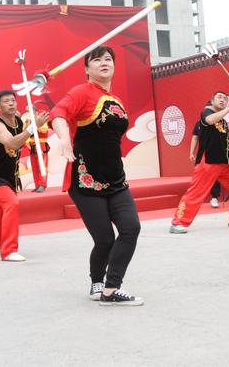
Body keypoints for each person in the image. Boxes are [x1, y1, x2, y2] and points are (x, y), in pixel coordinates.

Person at [50, 45, 143, 306]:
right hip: (86, 180)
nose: (105, 62)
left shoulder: (115, 99)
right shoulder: (81, 92)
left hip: (116, 179)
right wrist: (64, 139)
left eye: (109, 59)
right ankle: (97, 282)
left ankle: (111, 289)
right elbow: (59, 113)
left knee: (131, 228)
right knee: (104, 239)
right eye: (97, 59)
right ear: (87, 69)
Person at [170, 91, 229, 233]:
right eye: (219, 97)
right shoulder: (206, 113)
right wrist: (227, 109)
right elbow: (209, 121)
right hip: (208, 162)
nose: (223, 100)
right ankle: (178, 222)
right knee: (196, 192)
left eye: (225, 99)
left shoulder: (223, 121)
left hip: (224, 163)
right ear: (212, 101)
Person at [0, 89, 48, 263]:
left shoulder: (18, 120)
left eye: (13, 100)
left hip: (11, 176)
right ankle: (8, 250)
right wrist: (31, 129)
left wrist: (34, 124)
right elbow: (12, 143)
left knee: (3, 209)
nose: (11, 103)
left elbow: (21, 136)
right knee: (12, 203)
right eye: (6, 101)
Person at [189, 117, 221, 208]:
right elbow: (195, 138)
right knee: (198, 177)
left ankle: (214, 197)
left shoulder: (218, 123)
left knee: (215, 177)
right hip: (201, 155)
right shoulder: (199, 124)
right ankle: (194, 199)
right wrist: (191, 153)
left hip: (215, 155)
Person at [24, 104, 50, 193]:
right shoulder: (27, 121)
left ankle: (43, 185)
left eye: (29, 110)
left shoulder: (40, 119)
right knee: (34, 167)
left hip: (41, 145)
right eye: (26, 111)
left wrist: (35, 125)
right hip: (32, 147)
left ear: (35, 111)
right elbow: (25, 133)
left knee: (42, 166)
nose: (27, 113)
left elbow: (44, 130)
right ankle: (37, 185)